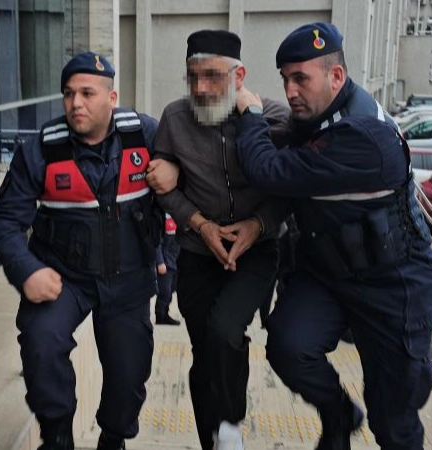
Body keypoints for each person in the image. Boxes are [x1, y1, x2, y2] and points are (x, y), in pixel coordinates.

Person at [233, 23, 432, 450]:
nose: (290, 91)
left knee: (394, 421)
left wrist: (251, 115)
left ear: (336, 76)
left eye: (300, 79)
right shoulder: (322, 115)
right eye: (285, 79)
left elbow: (268, 171)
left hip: (392, 283)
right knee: (290, 346)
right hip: (328, 273)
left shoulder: (362, 135)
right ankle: (339, 415)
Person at [0, 51, 160, 450]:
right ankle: (57, 436)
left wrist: (171, 168)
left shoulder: (144, 135)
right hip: (63, 277)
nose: (75, 103)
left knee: (129, 372)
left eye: (87, 93)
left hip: (129, 278)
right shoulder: (40, 149)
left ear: (111, 98)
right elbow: (4, 219)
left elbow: (187, 167)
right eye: (68, 94)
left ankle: (113, 439)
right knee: (41, 341)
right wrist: (26, 270)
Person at [146, 30, 290, 450]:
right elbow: (163, 187)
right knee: (204, 350)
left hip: (256, 252)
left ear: (239, 76)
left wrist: (257, 225)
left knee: (226, 331)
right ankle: (214, 441)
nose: (201, 88)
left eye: (212, 76)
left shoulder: (275, 119)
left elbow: (291, 187)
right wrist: (199, 224)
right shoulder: (175, 118)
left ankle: (229, 423)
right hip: (197, 252)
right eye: (193, 77)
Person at [154, 213, 181, 325]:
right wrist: (160, 261)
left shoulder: (180, 216)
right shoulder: (161, 216)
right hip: (166, 262)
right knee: (165, 291)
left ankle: (165, 313)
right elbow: (157, 242)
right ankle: (160, 315)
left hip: (176, 261)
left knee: (172, 290)